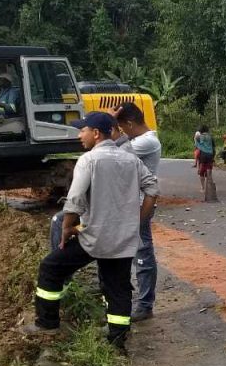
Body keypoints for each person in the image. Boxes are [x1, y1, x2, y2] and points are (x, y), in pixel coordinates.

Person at [27, 112, 158, 350]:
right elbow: (152, 189)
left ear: (96, 133)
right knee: (118, 287)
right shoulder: (131, 160)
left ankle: (47, 323)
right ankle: (117, 340)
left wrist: (67, 227)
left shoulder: (88, 160)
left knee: (51, 268)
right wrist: (138, 220)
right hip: (123, 237)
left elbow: (75, 199)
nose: (79, 135)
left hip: (93, 235)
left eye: (82, 130)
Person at [113, 102, 161, 322]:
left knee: (143, 253)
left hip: (141, 205)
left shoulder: (147, 141)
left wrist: (109, 126)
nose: (121, 132)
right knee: (133, 252)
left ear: (130, 123)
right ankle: (139, 300)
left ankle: (144, 304)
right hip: (132, 203)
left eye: (122, 127)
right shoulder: (138, 140)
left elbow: (115, 153)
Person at [196, 124, 215, 190]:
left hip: (203, 155)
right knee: (209, 170)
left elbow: (197, 144)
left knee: (202, 171)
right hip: (210, 154)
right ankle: (209, 187)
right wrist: (213, 157)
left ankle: (203, 187)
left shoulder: (200, 137)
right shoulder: (210, 137)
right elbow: (213, 147)